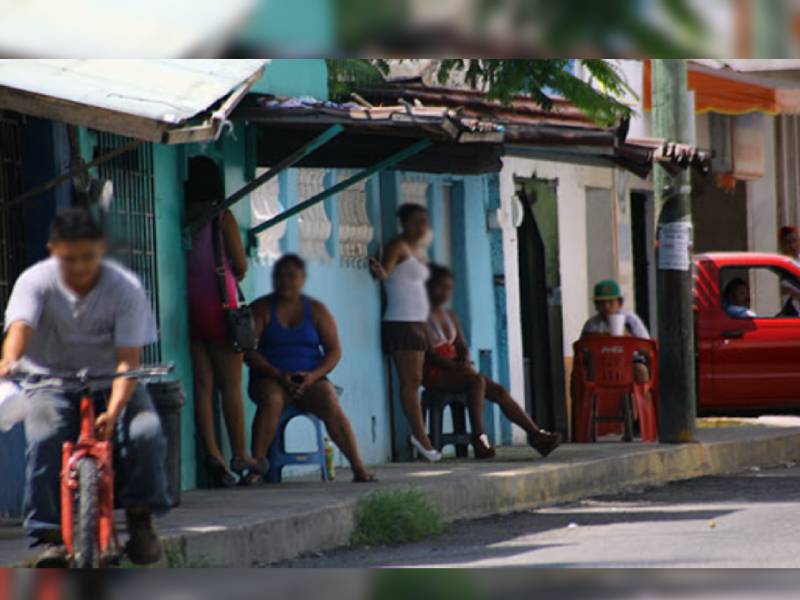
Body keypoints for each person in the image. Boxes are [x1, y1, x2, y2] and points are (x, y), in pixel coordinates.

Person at [0, 207, 169, 566]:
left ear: (101, 250)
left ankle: (140, 520)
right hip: (50, 378)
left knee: (145, 432)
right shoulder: (35, 281)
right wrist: (9, 361)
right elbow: (19, 328)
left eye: (87, 257)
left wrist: (114, 410)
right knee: (46, 437)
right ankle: (48, 536)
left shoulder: (125, 288)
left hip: (113, 378)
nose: (78, 267)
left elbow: (128, 361)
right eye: (68, 259)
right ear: (52, 250)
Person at [245, 254, 375, 483]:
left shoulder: (316, 310)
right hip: (270, 379)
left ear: (303, 279)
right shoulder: (262, 309)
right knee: (273, 399)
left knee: (328, 396)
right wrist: (279, 375)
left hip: (311, 380)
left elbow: (334, 351)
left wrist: (312, 376)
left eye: (291, 276)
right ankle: (257, 467)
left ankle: (358, 467)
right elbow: (248, 352)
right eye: (280, 276)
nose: (285, 281)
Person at [423, 264, 562, 458]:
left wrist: (464, 359)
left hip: (457, 370)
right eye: (440, 287)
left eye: (449, 287)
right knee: (476, 380)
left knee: (499, 391)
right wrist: (456, 367)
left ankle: (535, 435)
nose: (445, 292)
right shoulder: (420, 316)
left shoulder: (450, 316)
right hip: (435, 372)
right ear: (427, 287)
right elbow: (429, 353)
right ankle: (479, 438)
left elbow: (461, 345)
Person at [185, 156, 263, 487]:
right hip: (221, 305)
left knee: (203, 386)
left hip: (191, 306)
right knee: (230, 385)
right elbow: (241, 264)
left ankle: (214, 454)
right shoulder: (222, 216)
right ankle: (240, 454)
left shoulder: (183, 216)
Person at [369, 204, 440, 462]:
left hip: (418, 323)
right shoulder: (397, 246)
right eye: (416, 222)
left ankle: (420, 436)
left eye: (424, 222)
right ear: (404, 223)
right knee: (410, 382)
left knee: (416, 380)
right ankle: (420, 437)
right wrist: (380, 271)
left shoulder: (418, 250)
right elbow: (386, 272)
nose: (421, 227)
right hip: (401, 322)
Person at [580, 279, 651, 386]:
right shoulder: (592, 325)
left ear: (619, 303)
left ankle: (643, 401)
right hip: (601, 365)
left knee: (641, 370)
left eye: (610, 302)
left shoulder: (630, 320)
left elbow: (647, 347)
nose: (606, 306)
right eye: (601, 303)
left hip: (628, 362)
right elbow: (582, 350)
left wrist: (628, 338)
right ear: (596, 305)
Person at [778, 225, 800, 316]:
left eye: (794, 241)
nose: (792, 246)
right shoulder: (778, 265)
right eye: (787, 242)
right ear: (781, 245)